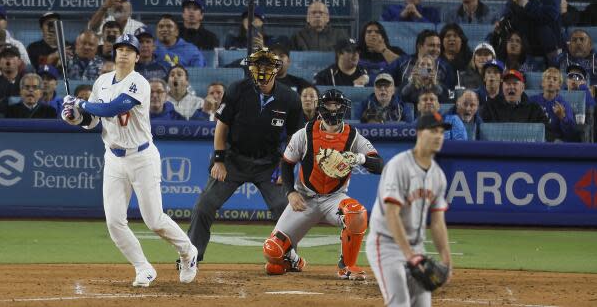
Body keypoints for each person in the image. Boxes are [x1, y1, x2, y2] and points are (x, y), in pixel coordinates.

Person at [61, 34, 198, 286]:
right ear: (114, 54)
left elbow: (112, 109)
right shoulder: (102, 81)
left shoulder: (139, 83)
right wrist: (74, 116)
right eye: (120, 49)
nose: (123, 53)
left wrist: (78, 102)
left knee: (154, 220)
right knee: (114, 222)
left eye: (129, 50)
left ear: (137, 56)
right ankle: (143, 267)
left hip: (141, 156)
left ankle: (188, 252)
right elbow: (92, 120)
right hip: (113, 157)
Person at [188, 47, 303, 262]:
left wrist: (286, 168)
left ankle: (288, 257)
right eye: (258, 65)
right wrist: (219, 160)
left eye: (267, 65)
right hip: (233, 160)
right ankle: (192, 256)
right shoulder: (237, 89)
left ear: (276, 69)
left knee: (284, 209)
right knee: (204, 206)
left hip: (269, 162)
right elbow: (221, 126)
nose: (262, 70)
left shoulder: (290, 98)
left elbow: (294, 139)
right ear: (251, 67)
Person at [262, 89, 384, 279]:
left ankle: (347, 266)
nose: (333, 109)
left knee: (357, 214)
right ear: (321, 107)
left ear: (343, 108)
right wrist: (290, 193)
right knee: (272, 255)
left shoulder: (354, 136)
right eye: (329, 104)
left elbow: (379, 165)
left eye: (337, 104)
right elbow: (286, 164)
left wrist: (359, 158)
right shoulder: (304, 134)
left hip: (334, 199)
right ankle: (294, 260)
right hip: (304, 198)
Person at [366, 112, 452, 307]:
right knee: (400, 303)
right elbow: (391, 214)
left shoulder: (438, 176)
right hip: (386, 245)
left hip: (416, 248)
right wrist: (408, 255)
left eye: (441, 132)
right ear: (420, 133)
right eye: (434, 131)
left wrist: (447, 262)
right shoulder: (399, 166)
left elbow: (438, 222)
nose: (439, 136)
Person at [480, 69, 549, 129]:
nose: (511, 87)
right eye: (508, 83)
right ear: (502, 87)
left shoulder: (535, 109)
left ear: (522, 87)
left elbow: (546, 131)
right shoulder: (489, 107)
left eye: (515, 83)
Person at [529, 67, 578, 142]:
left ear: (559, 86)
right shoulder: (531, 101)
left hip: (555, 142)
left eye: (555, 79)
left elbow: (571, 134)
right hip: (534, 139)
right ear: (542, 83)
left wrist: (562, 117)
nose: (551, 81)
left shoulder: (564, 105)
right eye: (548, 78)